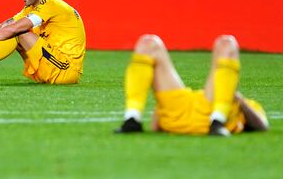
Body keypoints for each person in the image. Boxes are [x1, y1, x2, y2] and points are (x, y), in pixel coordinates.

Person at [115, 34, 269, 136]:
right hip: (181, 108)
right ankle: (132, 120)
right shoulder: (235, 100)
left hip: (209, 111)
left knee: (226, 43)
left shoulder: (243, 103)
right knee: (148, 43)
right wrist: (160, 107)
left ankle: (218, 121)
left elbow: (262, 125)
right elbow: (155, 127)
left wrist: (238, 100)